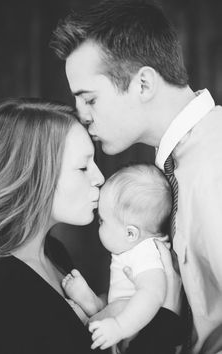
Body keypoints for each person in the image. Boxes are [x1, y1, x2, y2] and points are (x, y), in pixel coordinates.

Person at [52, 0, 222, 352]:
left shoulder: (216, 164)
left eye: (90, 99)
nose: (81, 115)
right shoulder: (174, 168)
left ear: (143, 84)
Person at [0, 98, 181, 354]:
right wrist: (167, 316)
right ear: (35, 175)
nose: (100, 178)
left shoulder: (54, 253)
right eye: (82, 167)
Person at [63, 164, 183, 353]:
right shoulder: (135, 248)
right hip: (129, 320)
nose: (98, 224)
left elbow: (153, 294)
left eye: (103, 220)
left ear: (130, 233)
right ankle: (96, 305)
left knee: (121, 306)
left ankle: (91, 320)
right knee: (118, 302)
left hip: (140, 324)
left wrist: (119, 327)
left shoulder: (146, 253)